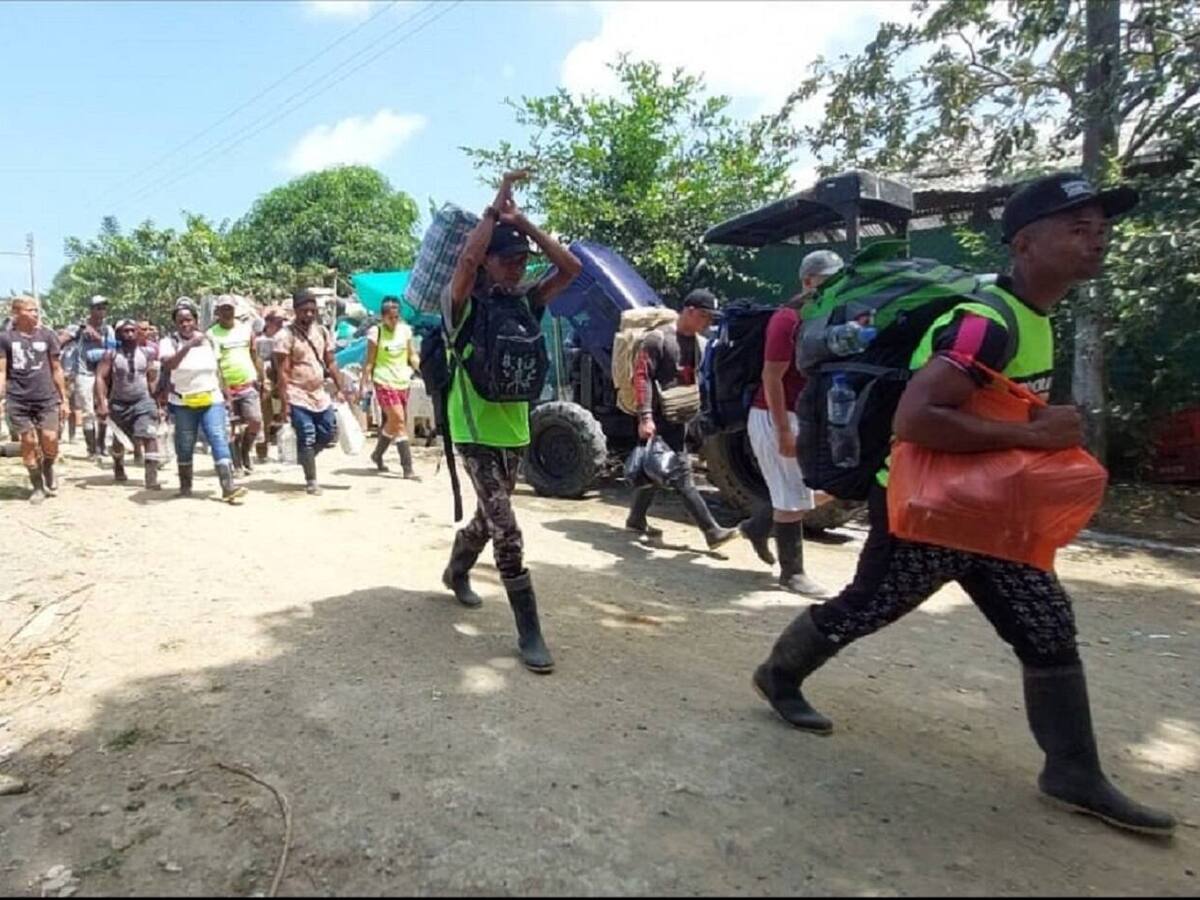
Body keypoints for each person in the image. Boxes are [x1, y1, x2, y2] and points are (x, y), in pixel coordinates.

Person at [752, 173, 1175, 836]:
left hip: (986, 508)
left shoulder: (1034, 316)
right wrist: (1034, 435)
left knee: (1046, 625)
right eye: (1078, 228)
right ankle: (778, 675)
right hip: (927, 509)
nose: (1097, 240)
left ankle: (1073, 771)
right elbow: (917, 418)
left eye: (1101, 228)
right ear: (1025, 244)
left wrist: (1027, 437)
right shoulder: (986, 323)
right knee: (868, 605)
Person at [439, 169, 582, 674]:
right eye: (509, 259)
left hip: (514, 431)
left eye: (523, 260)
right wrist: (493, 209)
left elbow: (571, 269)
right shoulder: (459, 303)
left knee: (488, 517)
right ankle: (530, 631)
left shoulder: (526, 303)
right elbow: (466, 260)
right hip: (473, 430)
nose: (518, 267)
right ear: (487, 263)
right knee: (507, 527)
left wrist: (524, 224)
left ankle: (456, 568)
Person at [739, 251, 843, 597]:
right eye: (827, 279)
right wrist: (783, 430)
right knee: (792, 499)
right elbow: (772, 377)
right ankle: (792, 574)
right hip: (775, 414)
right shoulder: (788, 320)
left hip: (804, 415)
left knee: (826, 486)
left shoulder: (826, 317)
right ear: (807, 281)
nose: (835, 285)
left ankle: (757, 526)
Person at [626, 289, 739, 549]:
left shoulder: (699, 344)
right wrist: (645, 417)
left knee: (653, 467)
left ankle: (635, 519)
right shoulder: (657, 340)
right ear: (689, 311)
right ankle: (712, 531)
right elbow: (641, 377)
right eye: (704, 316)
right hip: (657, 418)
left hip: (680, 416)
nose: (708, 322)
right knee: (681, 473)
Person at [158, 298, 246, 503]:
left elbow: (219, 371)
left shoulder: (210, 341)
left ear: (196, 321)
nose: (185, 324)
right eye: (180, 321)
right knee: (185, 442)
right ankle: (185, 486)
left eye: (189, 320)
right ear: (175, 323)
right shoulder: (168, 343)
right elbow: (169, 365)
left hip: (211, 398)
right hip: (183, 402)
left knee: (218, 437)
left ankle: (228, 487)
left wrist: (228, 397)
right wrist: (188, 346)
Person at [274, 288, 351, 495]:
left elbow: (331, 362)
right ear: (295, 310)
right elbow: (282, 372)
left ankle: (304, 458)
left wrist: (341, 388)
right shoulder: (285, 336)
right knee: (307, 435)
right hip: (297, 393)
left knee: (328, 432)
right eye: (304, 310)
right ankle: (311, 480)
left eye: (312, 311)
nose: (309, 314)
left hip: (319, 393)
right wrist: (285, 403)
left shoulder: (322, 332)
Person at [0, 296, 68, 503]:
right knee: (28, 442)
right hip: (18, 398)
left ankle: (48, 464)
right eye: (30, 310)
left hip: (46, 397)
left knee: (50, 438)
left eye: (36, 310)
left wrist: (64, 399)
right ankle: (37, 486)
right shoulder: (5, 338)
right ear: (16, 313)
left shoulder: (47, 335)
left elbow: (56, 368)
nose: (35, 314)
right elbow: (2, 371)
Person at [95, 319, 163, 490]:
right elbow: (100, 377)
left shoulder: (147, 353)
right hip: (119, 403)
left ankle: (151, 477)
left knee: (149, 435)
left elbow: (151, 379)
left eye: (133, 330)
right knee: (119, 440)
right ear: (118, 335)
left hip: (143, 401)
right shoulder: (111, 355)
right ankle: (118, 465)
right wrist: (102, 403)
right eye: (125, 331)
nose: (130, 334)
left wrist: (159, 404)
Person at [362, 296, 420, 478]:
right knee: (399, 420)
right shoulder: (376, 333)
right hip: (384, 381)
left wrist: (419, 366)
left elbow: (411, 354)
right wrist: (364, 383)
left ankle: (377, 454)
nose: (393, 321)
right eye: (390, 318)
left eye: (396, 317)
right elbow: (369, 361)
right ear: (383, 317)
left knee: (394, 422)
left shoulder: (405, 331)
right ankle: (407, 468)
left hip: (402, 380)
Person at [207, 294, 264, 475]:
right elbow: (215, 365)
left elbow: (254, 354)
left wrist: (262, 377)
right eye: (223, 309)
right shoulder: (211, 334)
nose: (227, 312)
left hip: (247, 383)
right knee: (232, 428)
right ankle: (237, 463)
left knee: (255, 421)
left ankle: (245, 451)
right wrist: (224, 389)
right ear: (217, 311)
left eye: (230, 308)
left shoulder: (245, 330)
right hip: (225, 386)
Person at [72, 295, 116, 460]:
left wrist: (98, 338)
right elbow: (65, 337)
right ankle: (91, 449)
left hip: (104, 374)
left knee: (103, 408)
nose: (101, 311)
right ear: (91, 310)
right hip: (84, 373)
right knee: (88, 412)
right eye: (98, 308)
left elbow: (113, 348)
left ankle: (101, 445)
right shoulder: (80, 327)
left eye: (104, 307)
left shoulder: (108, 329)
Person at [254, 306, 287, 461]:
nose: (281, 325)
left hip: (283, 378)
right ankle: (263, 449)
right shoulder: (259, 341)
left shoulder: (286, 338)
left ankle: (287, 450)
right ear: (268, 322)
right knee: (265, 415)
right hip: (266, 379)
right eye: (277, 321)